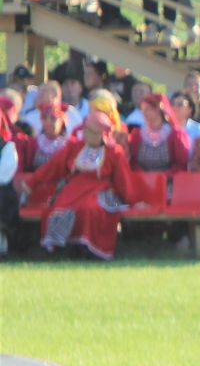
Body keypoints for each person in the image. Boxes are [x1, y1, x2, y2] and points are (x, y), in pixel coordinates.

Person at [23, 110, 143, 259]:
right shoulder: (74, 147)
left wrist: (133, 201)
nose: (86, 134)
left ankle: (90, 249)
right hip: (73, 190)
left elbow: (123, 180)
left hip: (102, 191)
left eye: (91, 131)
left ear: (102, 134)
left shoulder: (114, 153)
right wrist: (31, 183)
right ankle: (63, 247)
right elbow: (53, 167)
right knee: (60, 208)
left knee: (91, 209)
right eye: (86, 130)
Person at [128, 92, 190, 172]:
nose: (144, 113)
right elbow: (133, 162)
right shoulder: (137, 134)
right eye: (142, 110)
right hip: (141, 181)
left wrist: (162, 177)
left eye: (147, 109)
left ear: (158, 109)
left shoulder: (176, 134)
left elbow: (182, 164)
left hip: (169, 181)